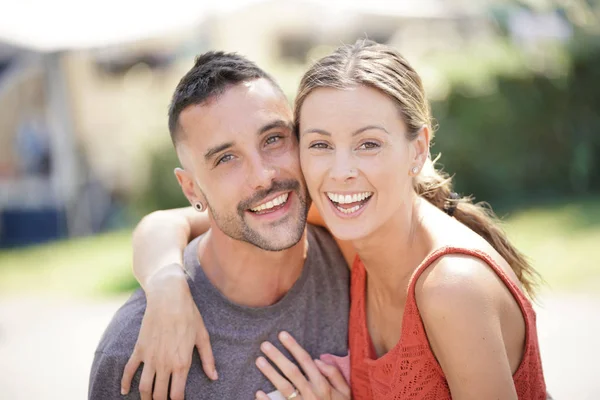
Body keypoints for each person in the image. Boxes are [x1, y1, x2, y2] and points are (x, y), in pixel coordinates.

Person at [125, 40, 548, 399]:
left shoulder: (451, 287)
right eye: (320, 144)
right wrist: (167, 288)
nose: (341, 171)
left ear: (417, 149)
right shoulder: (345, 220)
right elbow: (169, 223)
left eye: (368, 144)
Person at [89, 51, 351, 400]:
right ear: (191, 188)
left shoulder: (361, 265)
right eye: (226, 158)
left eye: (273, 138)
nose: (262, 176)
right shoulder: (138, 356)